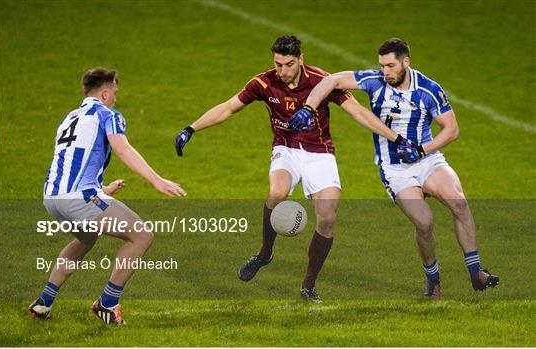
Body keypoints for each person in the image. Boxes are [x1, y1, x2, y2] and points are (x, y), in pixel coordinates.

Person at [175, 35, 407, 302]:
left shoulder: (322, 81)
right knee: (277, 193)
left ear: (301, 59)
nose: (282, 71)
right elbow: (228, 108)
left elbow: (358, 113)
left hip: (319, 152)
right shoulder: (263, 82)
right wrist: (191, 128)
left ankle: (308, 285)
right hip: (285, 148)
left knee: (328, 218)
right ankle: (264, 253)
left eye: (288, 64)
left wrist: (397, 139)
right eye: (277, 64)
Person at [294, 38, 499, 299]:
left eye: (390, 66)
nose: (385, 71)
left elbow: (452, 129)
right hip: (395, 169)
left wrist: (423, 150)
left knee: (459, 203)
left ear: (406, 62)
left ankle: (476, 271)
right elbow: (331, 80)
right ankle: (433, 281)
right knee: (424, 222)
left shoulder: (428, 89)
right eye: (382, 65)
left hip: (427, 161)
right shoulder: (374, 81)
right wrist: (308, 107)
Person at [29, 67, 186, 325]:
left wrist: (101, 191)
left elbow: (72, 160)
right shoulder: (107, 114)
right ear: (104, 92)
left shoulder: (69, 118)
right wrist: (157, 180)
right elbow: (123, 149)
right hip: (79, 197)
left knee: (86, 238)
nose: (115, 97)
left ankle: (44, 303)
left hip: (52, 198)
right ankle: (107, 304)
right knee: (141, 235)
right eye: (114, 91)